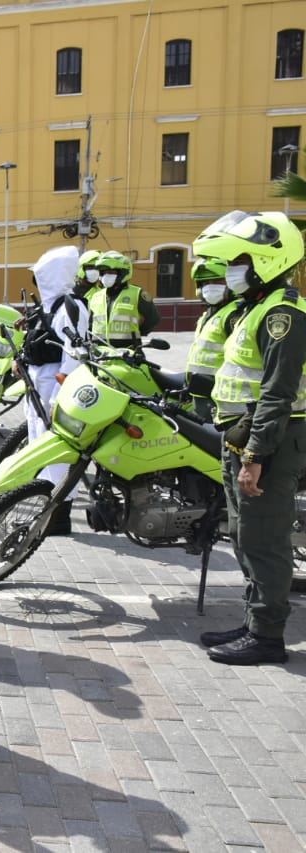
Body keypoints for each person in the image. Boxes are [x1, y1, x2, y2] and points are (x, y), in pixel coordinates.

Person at [196, 210, 306, 666]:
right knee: (243, 534)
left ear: (267, 259)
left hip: (270, 443)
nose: (230, 271)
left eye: (240, 261)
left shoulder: (283, 314)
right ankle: (252, 620)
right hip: (242, 438)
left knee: (264, 539)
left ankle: (267, 637)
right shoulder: (253, 308)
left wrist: (255, 455)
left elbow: (278, 394)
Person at [20, 246, 90, 536]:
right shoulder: (49, 306)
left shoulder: (72, 308)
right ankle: (46, 506)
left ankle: (59, 516)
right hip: (37, 380)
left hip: (54, 384)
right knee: (39, 445)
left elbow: (74, 355)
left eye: (41, 275)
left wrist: (58, 398)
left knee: (57, 452)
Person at [184, 258, 241, 424]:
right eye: (205, 282)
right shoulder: (209, 314)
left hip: (219, 397)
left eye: (217, 280)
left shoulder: (235, 314)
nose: (210, 286)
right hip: (201, 392)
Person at [87, 250, 160, 347]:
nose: (106, 276)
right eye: (103, 273)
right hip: (100, 354)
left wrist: (137, 333)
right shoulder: (96, 296)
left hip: (128, 352)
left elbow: (153, 318)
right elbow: (90, 324)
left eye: (110, 272)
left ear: (122, 272)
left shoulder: (137, 293)